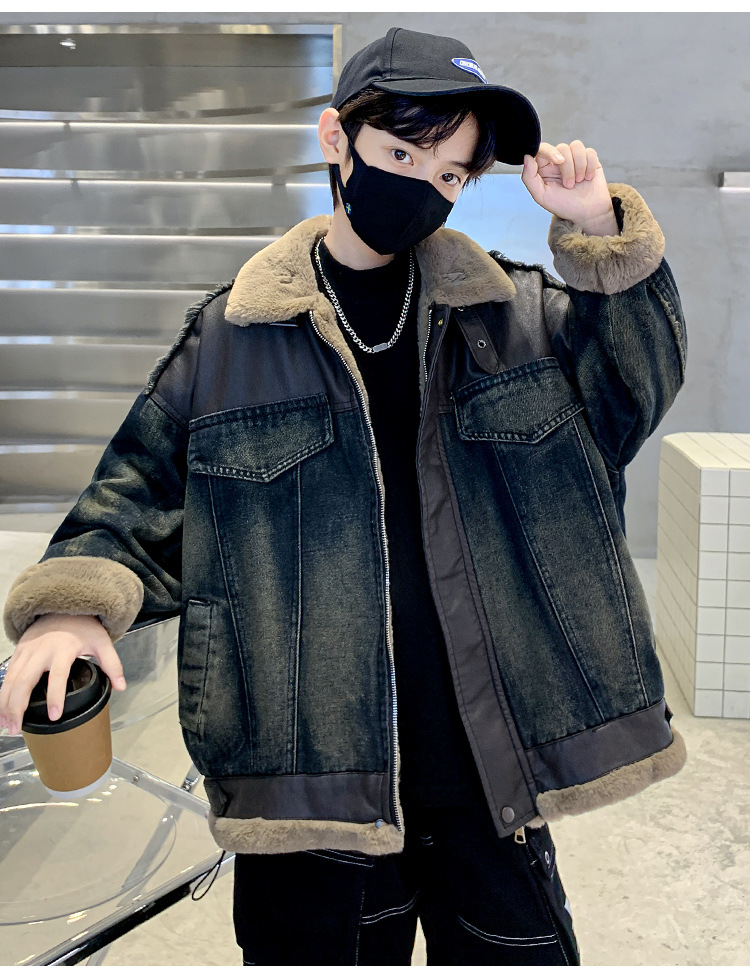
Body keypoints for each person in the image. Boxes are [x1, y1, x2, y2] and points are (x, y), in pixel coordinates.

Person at [0, 27, 688, 966]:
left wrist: (599, 231)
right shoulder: (231, 342)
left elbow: (632, 392)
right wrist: (68, 612)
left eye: (449, 174)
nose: (424, 187)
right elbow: (133, 496)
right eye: (403, 155)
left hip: (491, 782)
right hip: (307, 793)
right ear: (336, 138)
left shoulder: (513, 319)